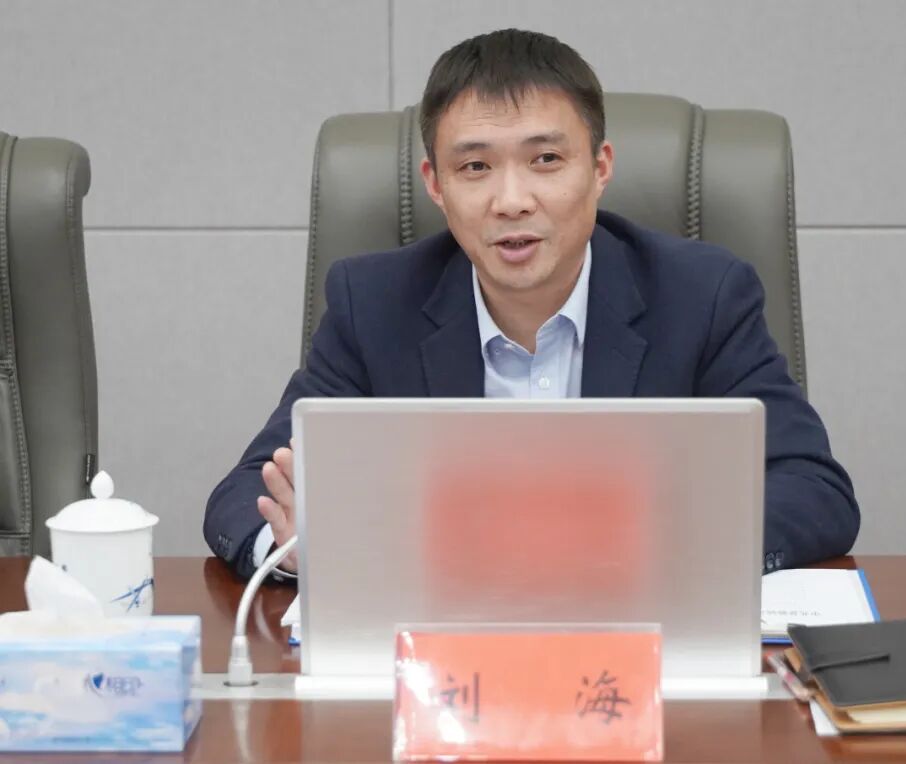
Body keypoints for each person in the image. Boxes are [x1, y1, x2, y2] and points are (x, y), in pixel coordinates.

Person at [204, 28, 859, 580]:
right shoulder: (372, 304)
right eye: (475, 167)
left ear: (600, 168)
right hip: (440, 646)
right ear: (435, 184)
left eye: (545, 159)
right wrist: (295, 548)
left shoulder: (702, 296)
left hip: (642, 635)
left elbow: (813, 489)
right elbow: (247, 493)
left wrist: (652, 545)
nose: (512, 201)